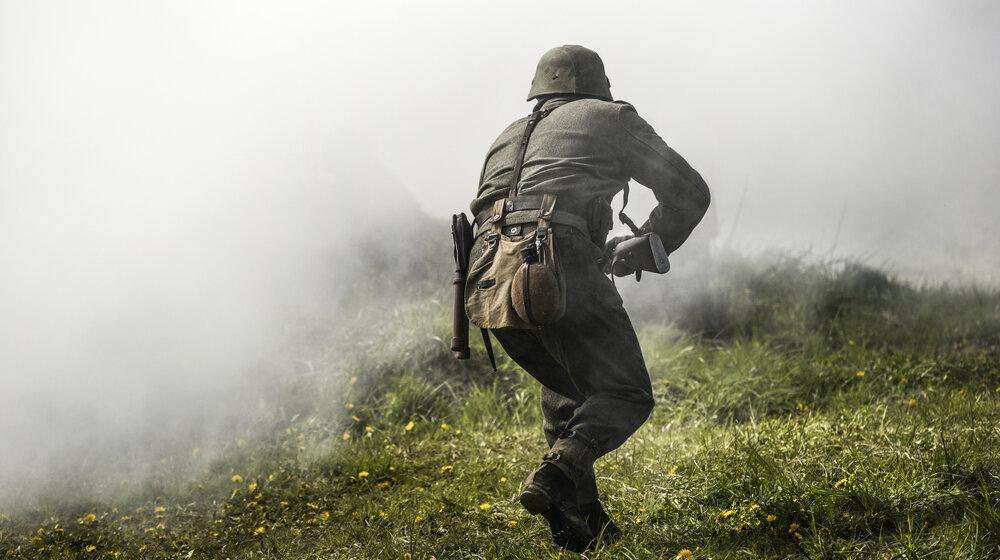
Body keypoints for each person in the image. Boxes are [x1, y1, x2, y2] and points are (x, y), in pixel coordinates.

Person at [467, 45, 710, 551]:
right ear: (597, 86)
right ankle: (556, 477)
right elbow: (689, 190)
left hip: (487, 282)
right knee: (625, 393)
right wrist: (649, 243)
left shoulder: (507, 135)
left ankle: (584, 525)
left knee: (571, 396)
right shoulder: (611, 117)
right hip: (557, 262)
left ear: (541, 89)